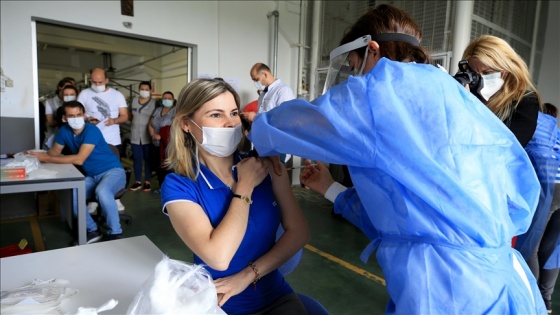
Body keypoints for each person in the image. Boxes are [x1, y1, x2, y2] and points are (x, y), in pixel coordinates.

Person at [249, 4, 546, 314]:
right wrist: (329, 188)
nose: (356, 78)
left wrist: (247, 127)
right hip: (500, 279)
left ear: (372, 50)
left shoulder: (380, 93)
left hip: (446, 288)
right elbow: (409, 213)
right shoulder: (448, 92)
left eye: (354, 65)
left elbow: (290, 126)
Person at [160, 78, 309, 315]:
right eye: (216, 115)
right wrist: (245, 186)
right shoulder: (180, 186)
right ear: (186, 124)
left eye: (233, 113)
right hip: (220, 306)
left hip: (277, 298)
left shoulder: (265, 166)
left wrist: (247, 276)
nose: (230, 124)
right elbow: (218, 258)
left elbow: (299, 232)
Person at [462, 36, 559, 305]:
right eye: (475, 71)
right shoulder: (477, 95)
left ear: (505, 68)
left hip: (508, 193)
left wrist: (469, 106)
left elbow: (506, 145)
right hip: (473, 188)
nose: (481, 77)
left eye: (487, 72)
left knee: (525, 251)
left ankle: (534, 302)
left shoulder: (525, 100)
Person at [28, 101, 125, 243]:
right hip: (92, 176)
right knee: (73, 195)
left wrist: (46, 157)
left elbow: (79, 159)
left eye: (79, 114)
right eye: (71, 116)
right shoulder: (64, 131)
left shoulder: (92, 130)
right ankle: (93, 230)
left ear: (84, 115)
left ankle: (116, 233)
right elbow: (55, 151)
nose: (76, 118)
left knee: (102, 191)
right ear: (64, 119)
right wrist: (37, 158)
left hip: (113, 171)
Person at [77, 68, 129, 151]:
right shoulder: (84, 94)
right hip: (89, 140)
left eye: (100, 82)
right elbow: (77, 114)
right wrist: (87, 119)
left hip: (111, 140)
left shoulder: (117, 95)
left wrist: (114, 121)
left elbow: (125, 116)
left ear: (106, 80)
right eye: (94, 82)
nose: (97, 85)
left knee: (112, 163)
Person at [128, 81, 156, 192]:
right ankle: (138, 181)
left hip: (148, 136)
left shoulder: (154, 103)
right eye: (142, 89)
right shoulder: (134, 101)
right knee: (137, 159)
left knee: (148, 159)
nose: (144, 91)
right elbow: (130, 115)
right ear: (139, 89)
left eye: (146, 89)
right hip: (135, 135)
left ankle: (147, 181)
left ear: (150, 90)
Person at [148, 90, 176, 191]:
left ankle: (170, 188)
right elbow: (151, 123)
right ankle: (161, 187)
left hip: (168, 145)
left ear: (173, 100)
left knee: (169, 168)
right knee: (159, 167)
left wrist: (161, 136)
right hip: (156, 144)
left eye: (169, 98)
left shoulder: (176, 111)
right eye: (165, 98)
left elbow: (175, 128)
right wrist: (152, 134)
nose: (167, 100)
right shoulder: (157, 110)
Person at [43, 77, 75, 149]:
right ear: (60, 88)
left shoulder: (77, 104)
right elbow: (51, 123)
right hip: (55, 135)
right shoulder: (51, 103)